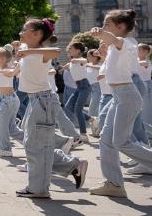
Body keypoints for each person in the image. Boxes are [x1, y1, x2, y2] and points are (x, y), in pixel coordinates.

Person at [16, 18, 88, 198]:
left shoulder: (41, 52)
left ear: (37, 34)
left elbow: (56, 51)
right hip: (36, 100)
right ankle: (72, 164)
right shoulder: (28, 50)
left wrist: (27, 51)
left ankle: (39, 188)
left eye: (25, 29)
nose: (21, 32)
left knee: (36, 146)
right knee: (34, 144)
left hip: (42, 99)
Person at [89, 10, 152, 196]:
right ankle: (114, 184)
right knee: (106, 140)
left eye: (107, 24)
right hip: (118, 97)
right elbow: (113, 65)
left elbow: (115, 40)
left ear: (121, 27)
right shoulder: (117, 47)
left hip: (127, 96)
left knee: (121, 141)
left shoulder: (128, 42)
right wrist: (103, 53)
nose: (103, 27)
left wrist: (102, 34)